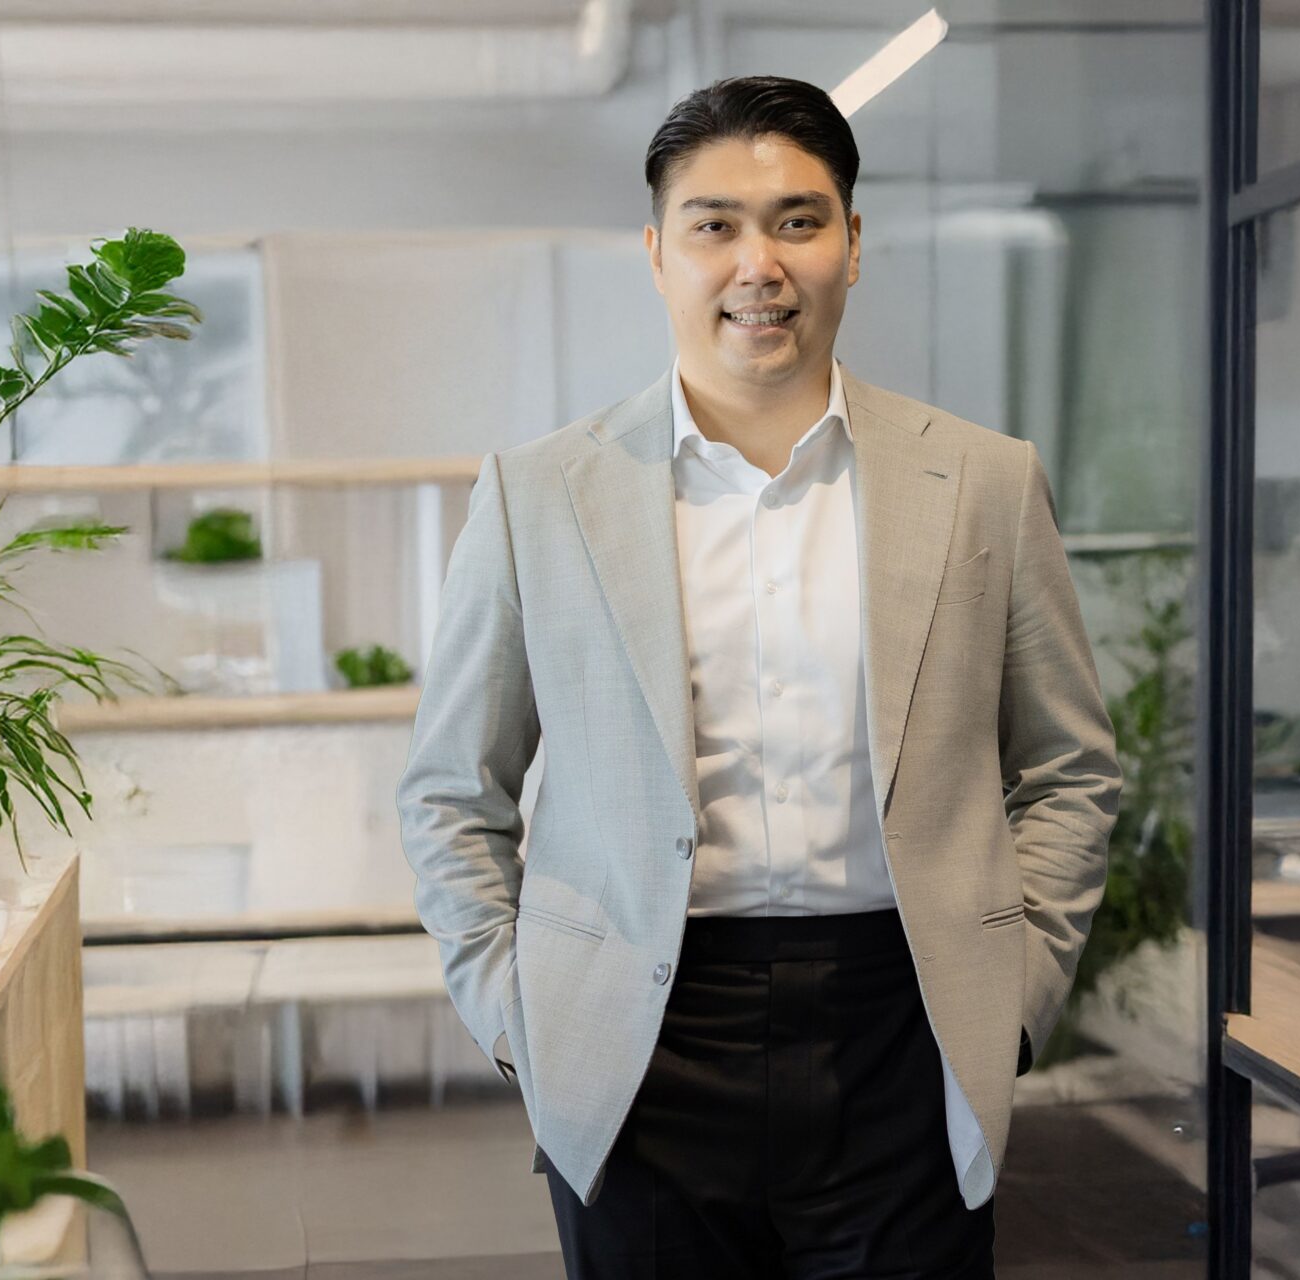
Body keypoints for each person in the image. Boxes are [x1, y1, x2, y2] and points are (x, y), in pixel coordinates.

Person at [397, 74, 1120, 1279]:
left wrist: (1017, 996)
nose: (758, 264)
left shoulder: (983, 481)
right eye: (714, 225)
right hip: (637, 1044)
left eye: (797, 221)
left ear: (853, 245)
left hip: (907, 1027)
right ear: (657, 253)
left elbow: (1068, 765)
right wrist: (523, 1020)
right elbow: (450, 792)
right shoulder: (539, 494)